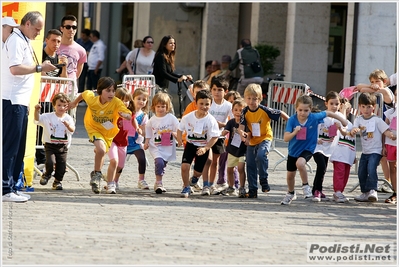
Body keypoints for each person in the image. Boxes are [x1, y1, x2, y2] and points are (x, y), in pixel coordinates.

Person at [2, 11, 57, 202]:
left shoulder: (23, 39)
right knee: (11, 146)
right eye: (36, 29)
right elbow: (15, 69)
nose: (38, 33)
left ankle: (11, 187)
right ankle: (5, 189)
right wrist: (40, 67)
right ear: (26, 24)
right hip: (12, 100)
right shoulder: (16, 40)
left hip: (20, 101)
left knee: (18, 146)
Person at [68, 77, 132, 194]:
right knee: (101, 150)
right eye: (108, 90)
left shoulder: (116, 102)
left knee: (100, 152)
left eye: (113, 90)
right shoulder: (92, 100)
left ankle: (95, 176)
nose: (111, 93)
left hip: (108, 133)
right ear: (100, 91)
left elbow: (127, 112)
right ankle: (97, 174)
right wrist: (74, 103)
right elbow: (84, 93)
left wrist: (126, 115)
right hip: (93, 128)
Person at [281, 95, 348, 205]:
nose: (303, 113)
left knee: (300, 163)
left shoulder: (313, 117)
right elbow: (285, 138)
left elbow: (329, 113)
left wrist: (343, 120)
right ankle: (291, 193)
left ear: (310, 110)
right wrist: (294, 132)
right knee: (290, 176)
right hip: (293, 150)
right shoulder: (292, 120)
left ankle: (305, 185)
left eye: (306, 110)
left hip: (308, 148)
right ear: (296, 109)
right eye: (300, 110)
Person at [239, 83, 289, 198]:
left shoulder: (264, 110)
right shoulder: (244, 111)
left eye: (255, 99)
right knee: (250, 164)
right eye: (249, 98)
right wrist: (242, 134)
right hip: (252, 140)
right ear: (245, 98)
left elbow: (280, 113)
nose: (251, 101)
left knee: (261, 156)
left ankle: (263, 179)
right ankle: (252, 190)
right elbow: (241, 126)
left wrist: (291, 122)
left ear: (260, 99)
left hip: (265, 137)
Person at [350, 92, 396, 202]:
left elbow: (386, 130)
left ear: (374, 107)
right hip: (365, 151)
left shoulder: (377, 120)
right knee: (361, 171)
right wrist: (354, 130)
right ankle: (365, 192)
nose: (366, 109)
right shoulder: (358, 119)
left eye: (369, 107)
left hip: (376, 150)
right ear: (359, 107)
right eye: (363, 107)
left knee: (371, 167)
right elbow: (353, 129)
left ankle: (372, 190)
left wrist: (391, 135)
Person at [355, 69, 395, 193]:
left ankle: (389, 182)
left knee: (387, 156)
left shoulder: (386, 91)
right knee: (382, 157)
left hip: (386, 126)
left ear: (384, 81)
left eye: (377, 81)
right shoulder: (375, 91)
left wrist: (373, 88)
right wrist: (371, 86)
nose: (374, 83)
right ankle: (385, 179)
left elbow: (366, 90)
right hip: (376, 128)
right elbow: (359, 87)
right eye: (372, 81)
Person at [35, 29, 69, 168]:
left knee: (52, 128)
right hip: (39, 97)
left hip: (53, 99)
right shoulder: (40, 55)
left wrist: (64, 66)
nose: (56, 44)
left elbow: (64, 81)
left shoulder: (59, 58)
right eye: (53, 40)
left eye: (59, 41)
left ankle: (52, 160)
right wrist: (43, 67)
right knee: (39, 130)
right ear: (46, 40)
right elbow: (38, 77)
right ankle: (41, 159)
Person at [177, 90, 220, 198]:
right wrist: (179, 140)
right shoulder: (188, 117)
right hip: (190, 145)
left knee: (198, 172)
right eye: (201, 103)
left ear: (211, 105)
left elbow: (215, 137)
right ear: (196, 103)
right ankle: (186, 187)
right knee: (184, 167)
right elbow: (179, 129)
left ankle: (194, 179)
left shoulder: (211, 120)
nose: (204, 106)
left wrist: (206, 148)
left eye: (207, 104)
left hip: (203, 147)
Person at [34, 93, 75, 190]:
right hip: (50, 144)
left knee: (62, 164)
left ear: (67, 106)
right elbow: (37, 119)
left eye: (64, 106)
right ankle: (47, 174)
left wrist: (68, 125)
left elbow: (72, 129)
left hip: (63, 146)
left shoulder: (68, 118)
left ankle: (57, 181)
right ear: (54, 105)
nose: (61, 108)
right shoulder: (48, 116)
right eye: (59, 105)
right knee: (50, 162)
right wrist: (36, 110)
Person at [311, 91, 346, 202]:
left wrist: (340, 127)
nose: (334, 106)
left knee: (323, 168)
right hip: (317, 146)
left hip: (329, 147)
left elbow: (345, 130)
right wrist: (316, 139)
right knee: (321, 166)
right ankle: (317, 191)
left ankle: (317, 189)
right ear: (326, 104)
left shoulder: (339, 116)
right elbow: (311, 129)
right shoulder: (322, 115)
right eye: (331, 103)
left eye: (337, 104)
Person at [104, 87, 140, 194]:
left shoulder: (129, 113)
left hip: (123, 143)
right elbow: (103, 123)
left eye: (127, 100)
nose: (125, 103)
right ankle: (110, 184)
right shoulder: (111, 111)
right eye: (122, 100)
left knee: (120, 165)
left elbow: (133, 120)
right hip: (112, 140)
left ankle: (115, 181)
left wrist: (137, 128)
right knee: (114, 161)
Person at [201, 77, 233, 196]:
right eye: (214, 89)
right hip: (207, 136)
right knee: (207, 161)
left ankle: (211, 184)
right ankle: (205, 184)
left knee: (215, 161)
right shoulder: (209, 102)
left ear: (226, 91)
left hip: (219, 136)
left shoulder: (228, 105)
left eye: (220, 90)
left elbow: (232, 121)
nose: (216, 92)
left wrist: (222, 124)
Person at [144, 93, 180, 194]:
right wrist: (146, 142)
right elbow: (148, 132)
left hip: (167, 145)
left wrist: (177, 135)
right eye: (158, 106)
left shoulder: (171, 118)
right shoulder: (152, 121)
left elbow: (179, 129)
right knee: (159, 162)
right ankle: (158, 182)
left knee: (163, 164)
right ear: (154, 107)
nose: (160, 109)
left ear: (167, 107)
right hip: (155, 146)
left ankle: (159, 180)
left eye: (163, 106)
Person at [180, 80, 210, 192]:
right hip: (191, 140)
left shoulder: (209, 106)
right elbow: (183, 123)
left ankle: (198, 180)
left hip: (205, 141)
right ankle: (186, 185)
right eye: (197, 92)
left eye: (203, 92)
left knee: (208, 161)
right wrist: (181, 138)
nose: (200, 95)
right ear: (193, 93)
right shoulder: (191, 107)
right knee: (186, 164)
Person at [329, 98, 356, 203]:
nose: (346, 109)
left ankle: (340, 192)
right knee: (339, 172)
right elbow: (341, 122)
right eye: (343, 107)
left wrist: (353, 155)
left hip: (348, 152)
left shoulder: (351, 124)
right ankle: (337, 191)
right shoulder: (336, 120)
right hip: (339, 151)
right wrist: (342, 110)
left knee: (346, 173)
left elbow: (353, 141)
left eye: (348, 107)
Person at [221, 98, 247, 197]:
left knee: (240, 168)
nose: (238, 112)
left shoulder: (245, 123)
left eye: (241, 110)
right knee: (229, 169)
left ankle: (242, 187)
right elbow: (226, 130)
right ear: (232, 111)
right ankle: (231, 187)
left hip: (242, 150)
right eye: (236, 110)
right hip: (232, 150)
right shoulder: (231, 122)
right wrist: (224, 132)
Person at [126, 88, 150, 190]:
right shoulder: (126, 112)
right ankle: (114, 180)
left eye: (144, 99)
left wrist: (141, 132)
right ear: (133, 99)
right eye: (139, 98)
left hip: (136, 143)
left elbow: (145, 131)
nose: (141, 101)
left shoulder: (144, 116)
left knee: (142, 158)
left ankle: (141, 180)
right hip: (124, 142)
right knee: (119, 163)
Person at [59, 15, 87, 93]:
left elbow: (77, 73)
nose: (71, 30)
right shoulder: (54, 45)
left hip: (71, 90)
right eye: (68, 27)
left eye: (74, 27)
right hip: (53, 88)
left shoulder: (81, 50)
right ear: (62, 28)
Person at [383, 87, 397, 204]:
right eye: (397, 95)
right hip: (390, 144)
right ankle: (395, 192)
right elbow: (384, 128)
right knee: (393, 168)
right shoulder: (390, 112)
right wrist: (383, 146)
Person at [76, 29, 93, 93]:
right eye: (81, 35)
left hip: (85, 65)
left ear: (88, 36)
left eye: (84, 36)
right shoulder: (78, 41)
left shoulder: (90, 44)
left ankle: (81, 94)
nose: (82, 37)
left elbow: (88, 53)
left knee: (83, 80)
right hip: (77, 63)